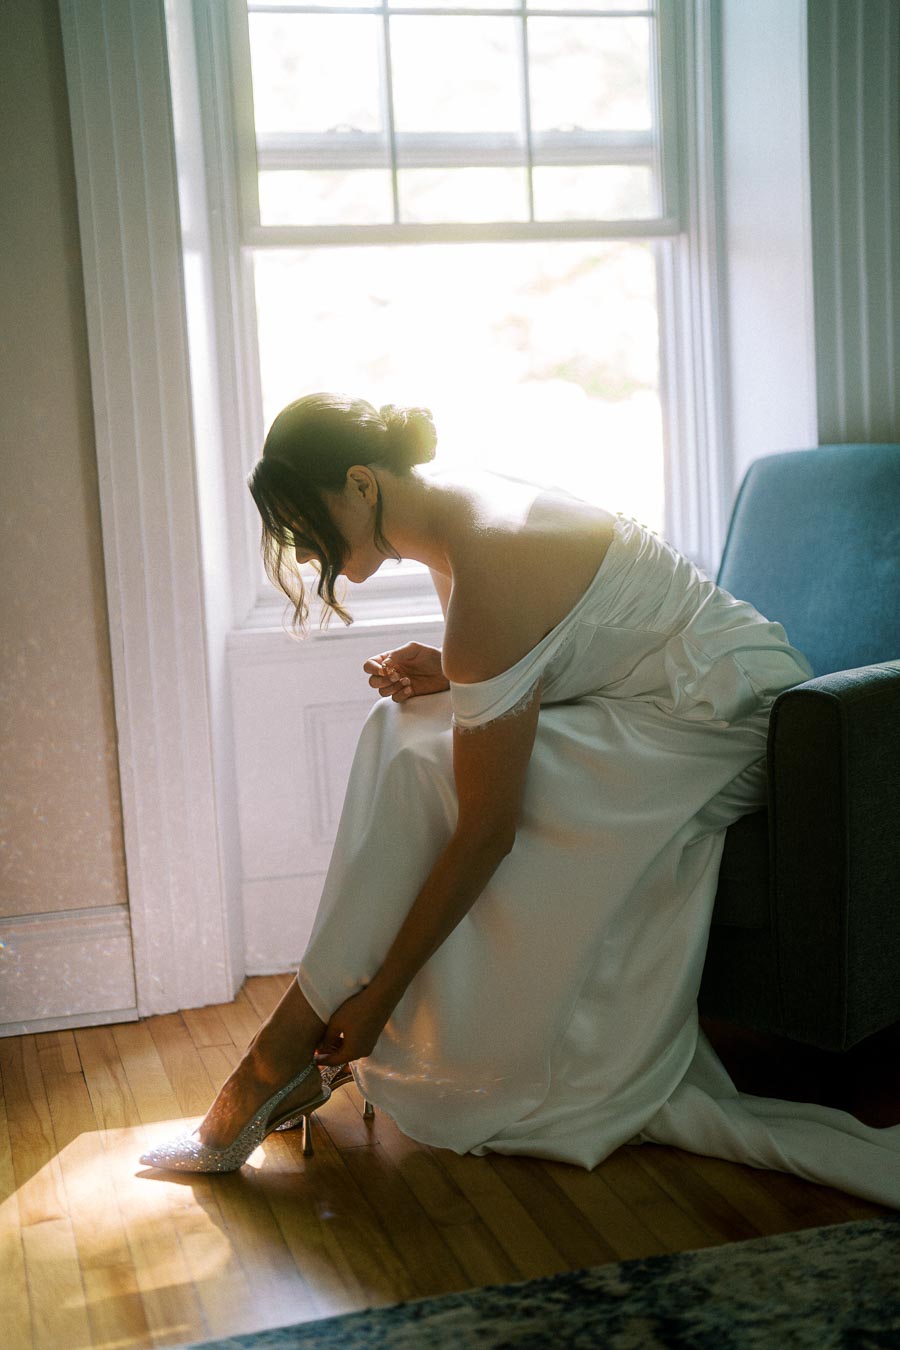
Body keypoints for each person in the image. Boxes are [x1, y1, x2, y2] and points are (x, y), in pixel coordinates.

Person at [140, 393, 900, 1206]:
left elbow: (488, 833)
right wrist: (450, 668)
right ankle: (289, 1046)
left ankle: (281, 1053)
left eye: (301, 522)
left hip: (724, 717)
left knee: (428, 770)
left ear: (360, 484)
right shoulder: (446, 522)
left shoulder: (485, 552)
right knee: (400, 738)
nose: (299, 549)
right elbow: (555, 640)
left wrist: (382, 999)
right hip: (639, 693)